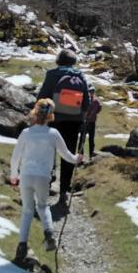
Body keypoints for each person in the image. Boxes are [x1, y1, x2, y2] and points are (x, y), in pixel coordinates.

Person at [10, 99, 82, 264]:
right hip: (43, 177)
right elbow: (66, 155)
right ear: (51, 116)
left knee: (27, 211)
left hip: (26, 176)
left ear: (34, 113)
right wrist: (76, 159)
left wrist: (14, 175)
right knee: (42, 206)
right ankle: (49, 235)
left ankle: (21, 247)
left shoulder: (26, 133)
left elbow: (15, 157)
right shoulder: (53, 134)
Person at [35, 49, 91, 209]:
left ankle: (48, 179)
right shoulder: (80, 76)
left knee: (49, 150)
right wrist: (83, 117)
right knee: (68, 153)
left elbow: (42, 97)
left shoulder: (52, 74)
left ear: (58, 60)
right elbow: (86, 101)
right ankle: (64, 191)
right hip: (74, 121)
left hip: (54, 119)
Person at [78, 87, 101, 157]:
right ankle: (81, 156)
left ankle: (90, 155)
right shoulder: (94, 101)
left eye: (92, 91)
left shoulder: (95, 101)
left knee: (89, 140)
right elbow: (98, 110)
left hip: (89, 122)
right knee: (83, 140)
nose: (91, 93)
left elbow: (96, 111)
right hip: (86, 122)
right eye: (90, 91)